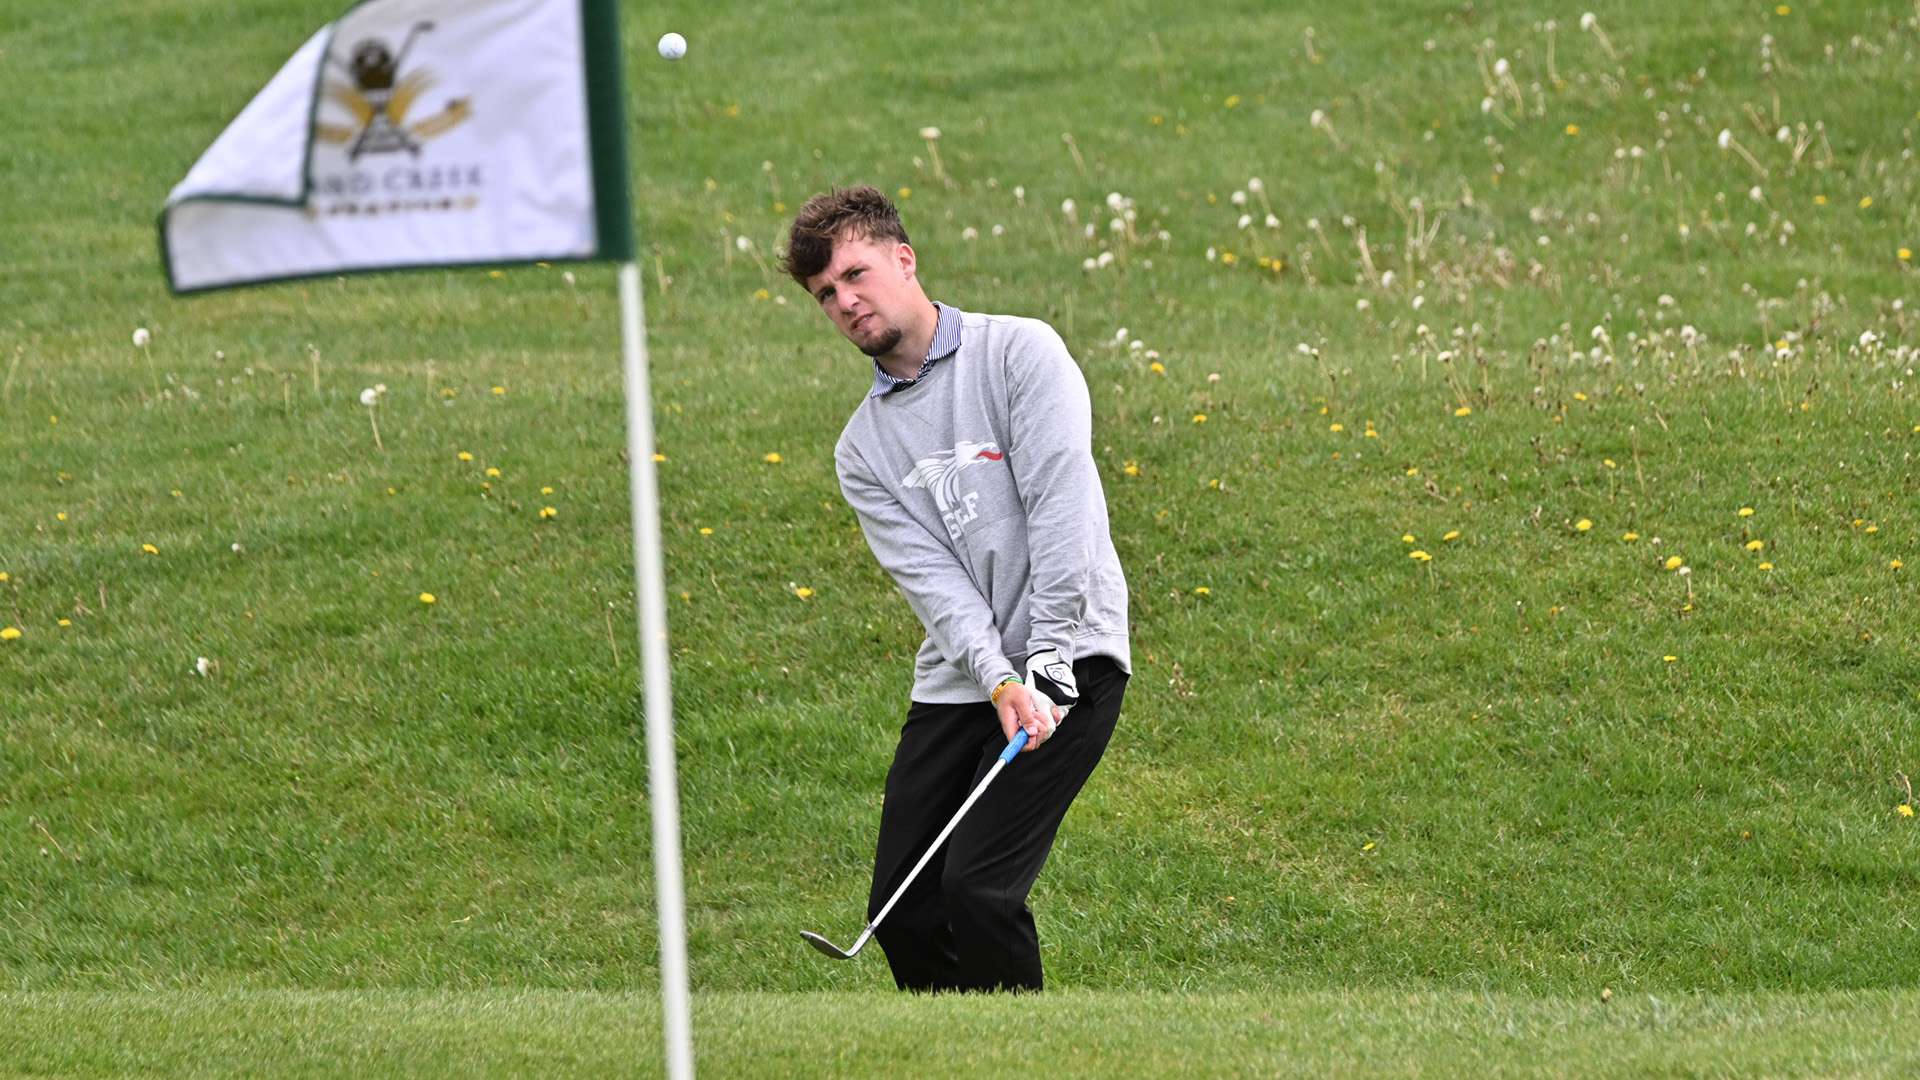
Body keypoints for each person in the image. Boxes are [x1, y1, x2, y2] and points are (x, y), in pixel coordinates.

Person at [780, 185, 1132, 992]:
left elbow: (1062, 511)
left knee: (978, 888)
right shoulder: (861, 449)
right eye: (827, 295)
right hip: (965, 677)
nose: (846, 302)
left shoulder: (1019, 354)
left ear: (904, 260)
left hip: (1071, 656)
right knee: (902, 914)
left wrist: (1043, 661)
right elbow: (934, 585)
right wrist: (998, 676)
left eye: (856, 274)